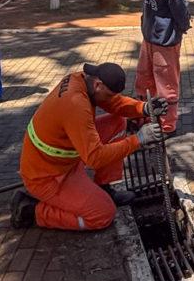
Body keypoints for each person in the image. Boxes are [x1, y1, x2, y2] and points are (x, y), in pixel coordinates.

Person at [10, 62, 168, 231]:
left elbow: (114, 103)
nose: (110, 99)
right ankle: (32, 211)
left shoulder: (82, 81)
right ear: (98, 85)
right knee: (103, 214)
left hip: (62, 160)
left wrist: (143, 108)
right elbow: (95, 157)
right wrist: (138, 139)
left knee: (117, 123)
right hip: (48, 176)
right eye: (108, 95)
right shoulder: (75, 104)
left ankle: (104, 187)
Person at [128, 0, 190, 135]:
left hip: (164, 43)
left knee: (166, 84)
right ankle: (144, 116)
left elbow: (181, 13)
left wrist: (178, 30)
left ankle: (166, 125)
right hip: (149, 38)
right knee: (144, 79)